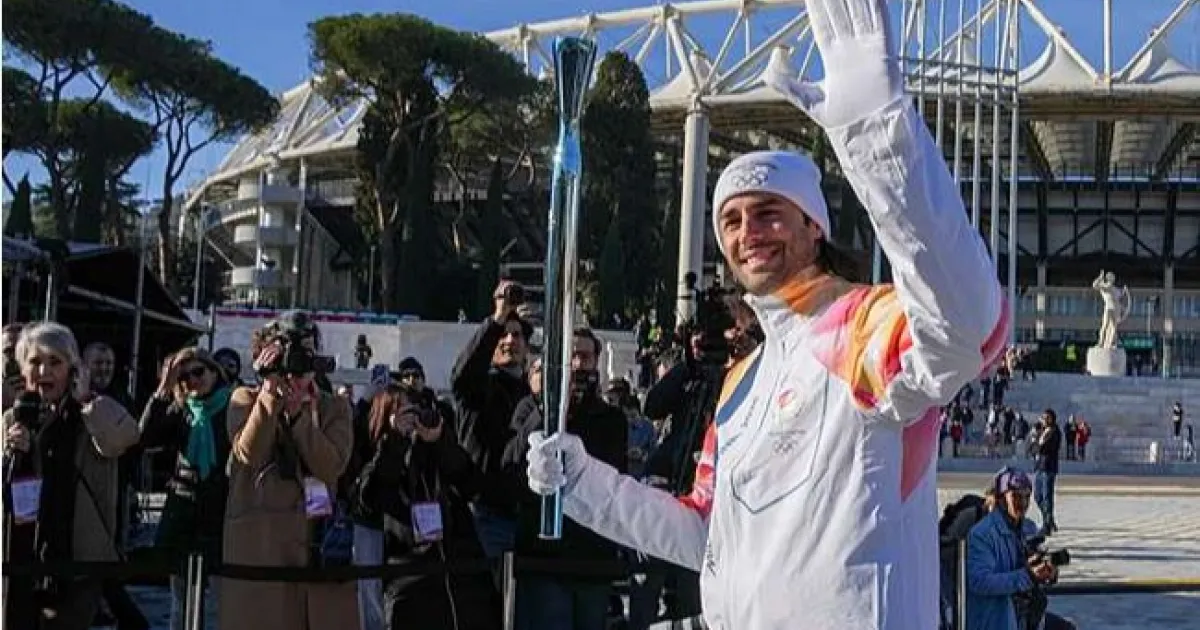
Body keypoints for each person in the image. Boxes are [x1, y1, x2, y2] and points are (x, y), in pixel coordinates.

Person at [522, 1, 1006, 628]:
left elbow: (967, 327)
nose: (747, 231)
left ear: (813, 226)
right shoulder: (740, 382)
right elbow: (705, 534)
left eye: (769, 212)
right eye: (731, 219)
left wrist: (878, 136)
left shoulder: (860, 326)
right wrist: (584, 484)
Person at [219, 312, 357, 630]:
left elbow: (331, 467)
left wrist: (298, 417)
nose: (296, 366)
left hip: (315, 554)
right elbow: (248, 454)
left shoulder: (333, 407)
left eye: (305, 353)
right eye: (288, 355)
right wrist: (270, 393)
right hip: (260, 556)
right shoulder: (245, 399)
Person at [3, 322, 141, 630]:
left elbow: (124, 438)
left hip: (76, 557)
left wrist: (88, 399)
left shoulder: (90, 414)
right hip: (17, 554)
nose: (44, 371)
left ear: (73, 369)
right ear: (23, 369)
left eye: (55, 362)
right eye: (35, 362)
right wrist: (11, 454)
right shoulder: (13, 418)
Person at [349, 384, 498, 629]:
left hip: (465, 583)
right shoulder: (380, 459)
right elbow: (372, 497)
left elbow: (472, 484)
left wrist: (440, 440)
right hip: (412, 588)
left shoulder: (437, 455)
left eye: (414, 410)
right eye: (402, 413)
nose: (411, 419)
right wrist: (395, 440)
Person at [139, 348, 234, 630]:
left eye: (198, 372)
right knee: (180, 597)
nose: (193, 380)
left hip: (220, 507)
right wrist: (163, 390)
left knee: (219, 598)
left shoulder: (233, 404)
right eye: (185, 377)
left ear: (214, 371)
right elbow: (145, 437)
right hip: (184, 506)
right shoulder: (181, 409)